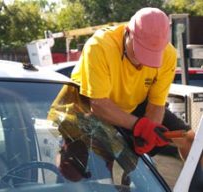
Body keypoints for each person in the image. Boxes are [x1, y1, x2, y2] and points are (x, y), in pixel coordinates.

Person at [70, 7, 194, 160]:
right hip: (87, 104)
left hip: (132, 104)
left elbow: (156, 104)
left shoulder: (168, 55)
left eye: (151, 55)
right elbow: (98, 104)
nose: (143, 62)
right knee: (80, 167)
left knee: (189, 139)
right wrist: (139, 126)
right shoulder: (99, 46)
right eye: (140, 51)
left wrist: (148, 133)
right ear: (128, 32)